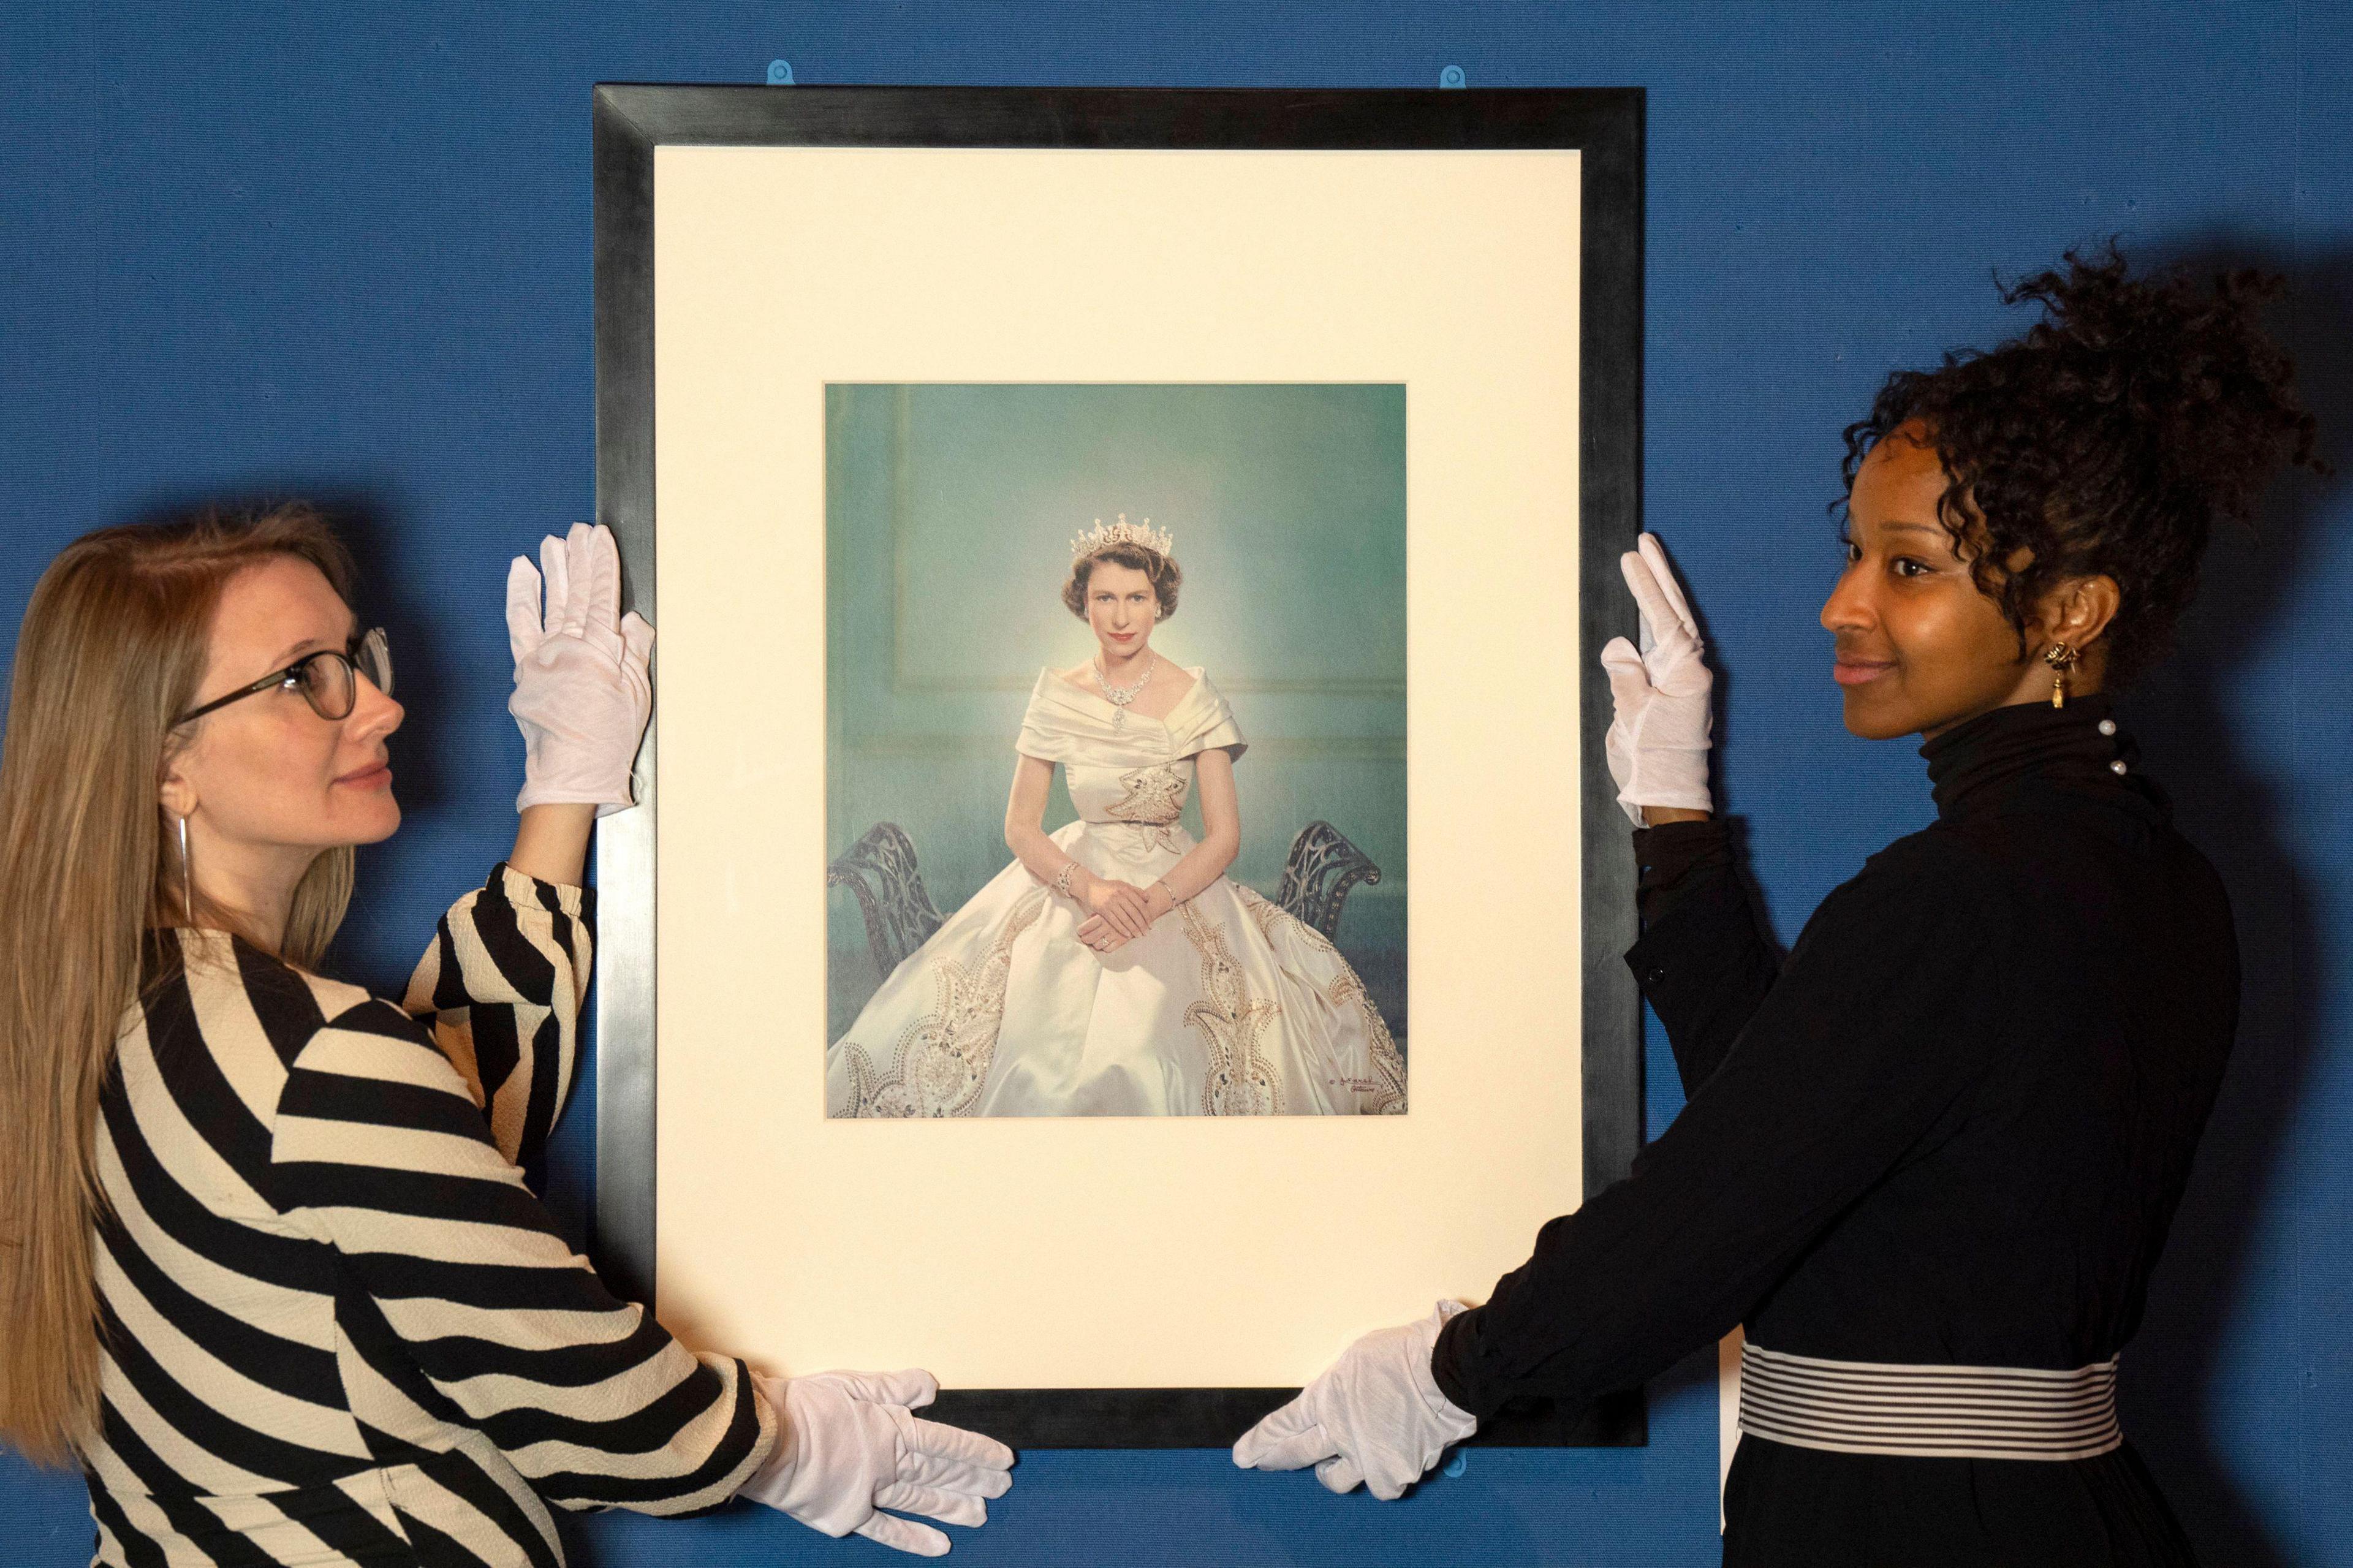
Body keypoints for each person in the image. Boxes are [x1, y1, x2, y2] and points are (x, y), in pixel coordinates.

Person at [1233, 248, 2324, 1564]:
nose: (1841, 604)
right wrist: (1675, 818)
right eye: (1854, 551)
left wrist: (1451, 1367)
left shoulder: (1961, 896)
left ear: (2070, 609)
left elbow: (1708, 1217)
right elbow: (1798, 1125)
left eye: (1909, 567)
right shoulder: (2160, 880)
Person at [0, 510, 1014, 1565]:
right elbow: (592, 1401)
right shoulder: (311, 1058)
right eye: (307, 678)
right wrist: (790, 1441)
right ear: (167, 763)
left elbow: (426, 1136)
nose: (382, 704)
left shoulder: (118, 1024)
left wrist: (563, 795)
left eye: (356, 657)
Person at [825, 515, 1406, 1117]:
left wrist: (1148, 904)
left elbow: (1225, 836)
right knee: (1014, 1028)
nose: (1122, 616)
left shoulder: (1195, 694)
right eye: (1106, 598)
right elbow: (1021, 827)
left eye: (1137, 599)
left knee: (1168, 1034)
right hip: (1076, 875)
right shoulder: (1056, 692)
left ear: (1160, 605)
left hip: (1175, 882)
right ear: (1084, 604)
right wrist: (1094, 889)